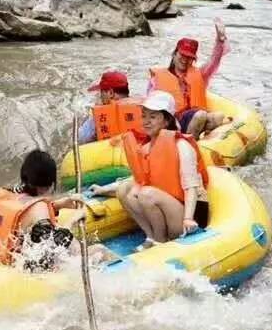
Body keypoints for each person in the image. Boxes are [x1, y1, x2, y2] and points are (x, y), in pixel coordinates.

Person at [90, 92, 210, 246]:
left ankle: (159, 240)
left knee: (146, 194)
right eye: (144, 116)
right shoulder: (147, 148)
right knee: (125, 190)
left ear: (166, 121)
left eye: (152, 117)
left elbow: (191, 188)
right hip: (166, 205)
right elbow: (138, 179)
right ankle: (151, 236)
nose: (146, 121)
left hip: (190, 214)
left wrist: (188, 218)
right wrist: (103, 190)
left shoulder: (182, 146)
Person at [0, 149, 82, 270]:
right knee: (99, 251)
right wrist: (73, 219)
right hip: (25, 270)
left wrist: (59, 205)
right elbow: (55, 245)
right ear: (51, 183)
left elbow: (26, 215)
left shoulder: (5, 194)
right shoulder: (39, 208)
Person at [148, 18, 228, 138]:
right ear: (175, 53)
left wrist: (220, 41)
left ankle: (196, 141)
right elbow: (151, 104)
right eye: (182, 55)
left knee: (218, 117)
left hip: (195, 117)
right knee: (200, 115)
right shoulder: (157, 78)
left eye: (189, 57)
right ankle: (188, 143)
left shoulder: (199, 73)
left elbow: (214, 61)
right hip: (172, 122)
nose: (185, 60)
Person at [78, 71, 140, 144]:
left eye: (102, 92)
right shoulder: (142, 108)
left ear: (110, 93)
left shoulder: (98, 117)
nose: (100, 96)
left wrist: (94, 117)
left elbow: (81, 138)